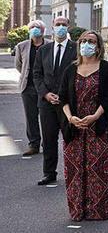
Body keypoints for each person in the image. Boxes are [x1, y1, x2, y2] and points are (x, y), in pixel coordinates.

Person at [58, 30, 108, 221]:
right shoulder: (70, 69)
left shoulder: (106, 69)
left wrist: (94, 116)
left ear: (98, 46)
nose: (86, 44)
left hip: (99, 126)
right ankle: (77, 210)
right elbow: (63, 98)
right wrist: (70, 118)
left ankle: (97, 211)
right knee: (75, 171)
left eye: (91, 41)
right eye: (83, 41)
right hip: (74, 128)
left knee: (97, 169)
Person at [31, 16, 77, 186]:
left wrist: (63, 95)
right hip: (47, 103)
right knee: (49, 139)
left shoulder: (76, 49)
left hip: (68, 103)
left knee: (70, 138)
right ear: (52, 27)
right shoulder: (44, 50)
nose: (60, 27)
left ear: (68, 27)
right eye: (57, 25)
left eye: (63, 25)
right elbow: (36, 75)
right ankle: (49, 173)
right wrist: (45, 94)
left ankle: (73, 171)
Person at [14, 20, 46, 157]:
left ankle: (48, 143)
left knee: (47, 117)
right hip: (28, 87)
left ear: (43, 30)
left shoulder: (50, 45)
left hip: (46, 88)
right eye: (32, 27)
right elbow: (18, 65)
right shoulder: (22, 46)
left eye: (37, 27)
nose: (34, 29)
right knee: (31, 117)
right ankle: (34, 144)